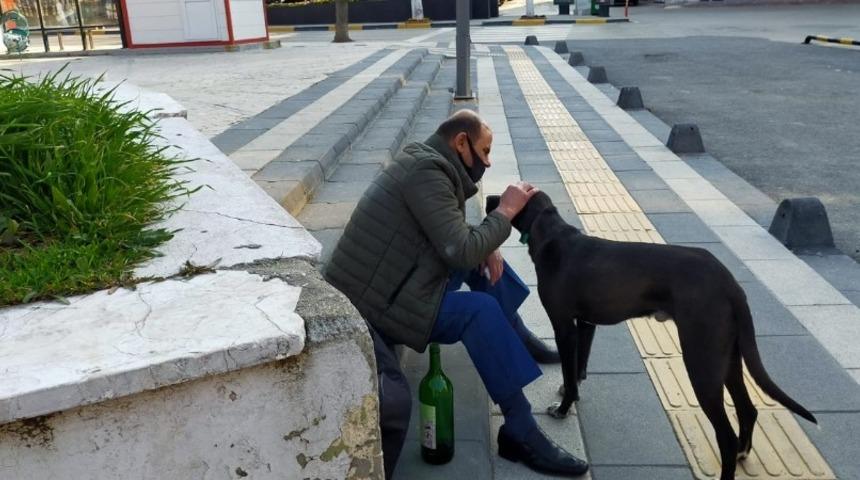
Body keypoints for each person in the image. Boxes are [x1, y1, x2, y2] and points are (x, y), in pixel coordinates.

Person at [323, 109, 588, 478]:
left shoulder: (429, 163)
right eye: (484, 150)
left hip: (393, 281)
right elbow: (458, 249)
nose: (488, 161)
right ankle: (520, 429)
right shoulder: (427, 172)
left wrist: (485, 242)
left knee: (482, 259)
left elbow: (452, 236)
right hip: (375, 303)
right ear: (460, 142)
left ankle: (520, 337)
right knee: (478, 310)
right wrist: (506, 213)